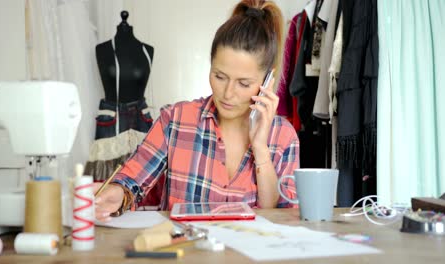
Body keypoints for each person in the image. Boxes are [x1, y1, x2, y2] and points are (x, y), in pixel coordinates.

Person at [94, 0, 300, 222]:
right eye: (220, 76)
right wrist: (117, 193)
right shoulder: (175, 120)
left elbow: (279, 217)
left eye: (244, 83)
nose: (228, 93)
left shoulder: (284, 137)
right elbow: (131, 180)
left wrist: (260, 147)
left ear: (267, 80)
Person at [95, 10, 154, 138]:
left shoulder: (148, 50)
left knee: (143, 157)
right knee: (111, 157)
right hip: (111, 119)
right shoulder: (102, 49)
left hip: (140, 118)